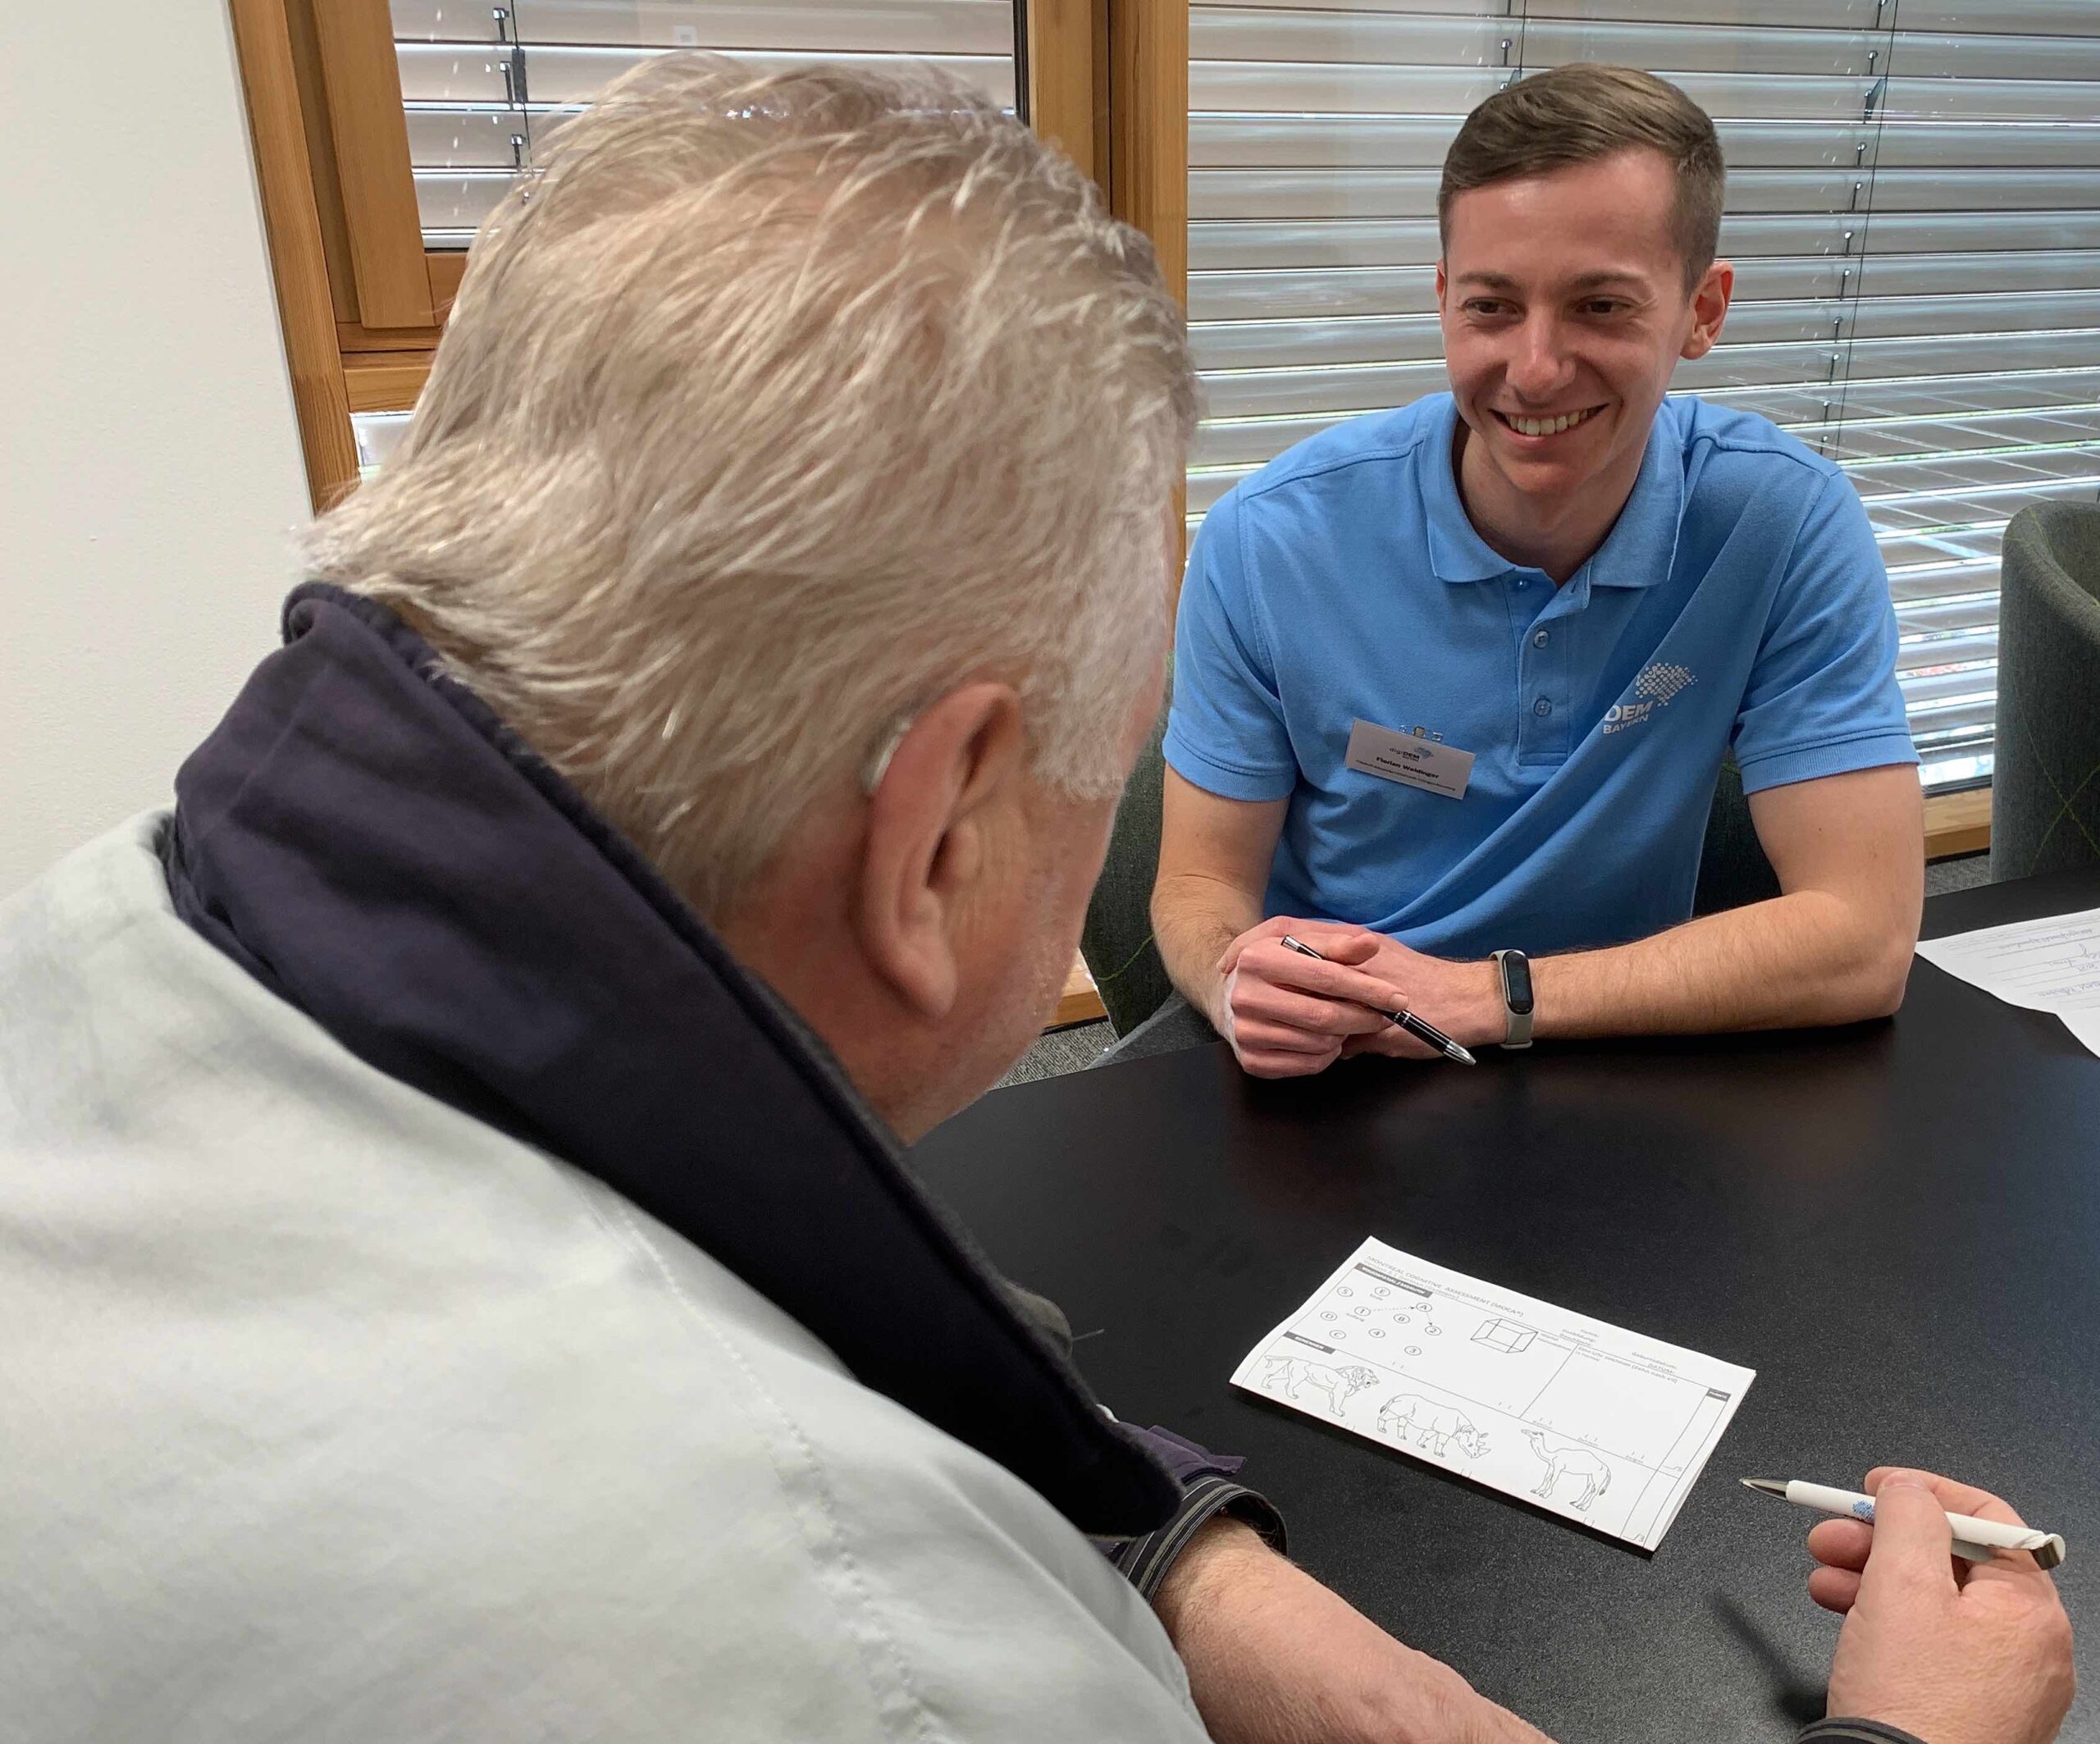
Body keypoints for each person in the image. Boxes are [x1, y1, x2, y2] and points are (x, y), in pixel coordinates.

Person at [0, 54, 2068, 1744]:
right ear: (941, 837)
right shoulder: (874, 1646)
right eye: (1101, 754)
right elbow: (1195, 912)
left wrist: (1175, 1547)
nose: (1528, 364)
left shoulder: (109, 931)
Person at [1154, 65, 1928, 1080]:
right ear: (1441, 301)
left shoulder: (1779, 520)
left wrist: (1486, 996)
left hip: (1613, 1048)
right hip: (1336, 1064)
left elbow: (1863, 939)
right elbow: (1197, 882)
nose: (1533, 369)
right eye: (1491, 307)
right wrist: (1231, 979)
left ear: (1702, 310)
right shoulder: (1269, 539)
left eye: (1599, 306)